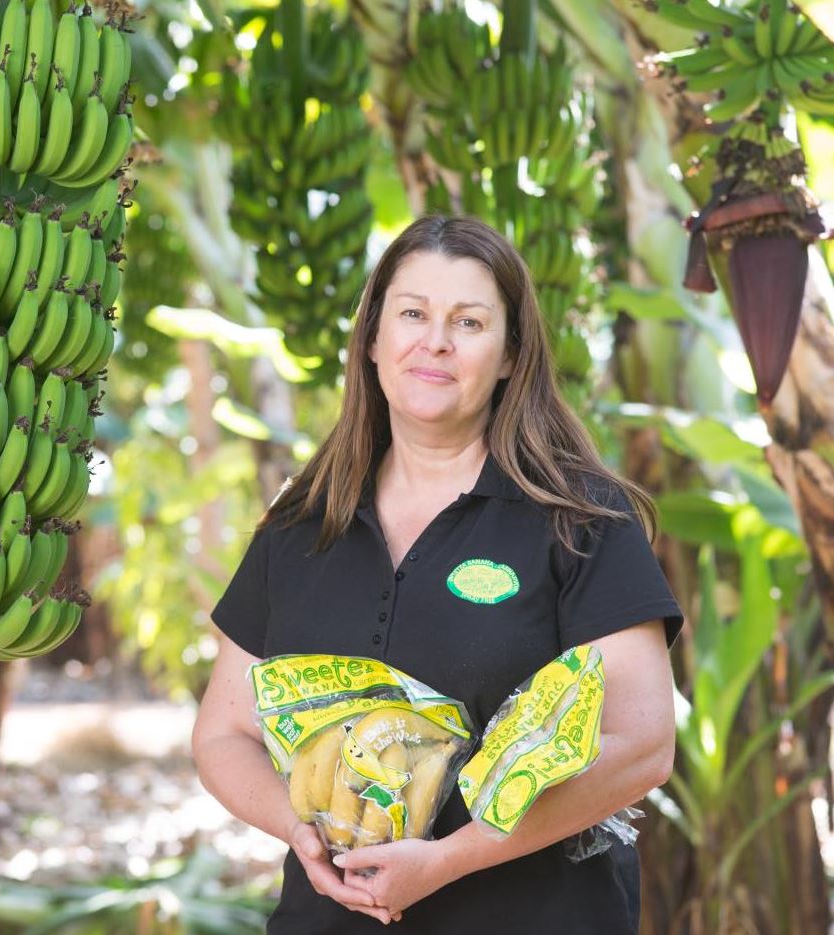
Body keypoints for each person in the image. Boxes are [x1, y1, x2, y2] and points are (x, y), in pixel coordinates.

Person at [190, 214, 683, 933]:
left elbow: (640, 744)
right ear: (371, 338)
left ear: (511, 354)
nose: (435, 342)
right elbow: (223, 733)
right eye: (412, 314)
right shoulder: (302, 524)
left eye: (469, 322)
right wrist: (300, 830)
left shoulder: (578, 519)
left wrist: (450, 857)